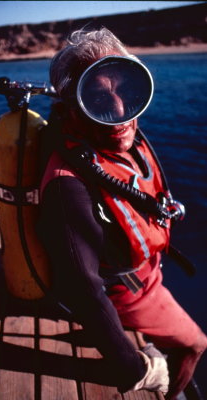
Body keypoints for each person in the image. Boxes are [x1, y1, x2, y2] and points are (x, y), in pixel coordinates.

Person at [37, 27, 207, 398]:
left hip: (147, 275)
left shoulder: (114, 136)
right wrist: (132, 368)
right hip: (128, 295)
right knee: (197, 344)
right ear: (71, 105)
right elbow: (82, 290)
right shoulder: (68, 186)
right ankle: (168, 388)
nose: (119, 113)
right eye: (97, 98)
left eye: (127, 92)